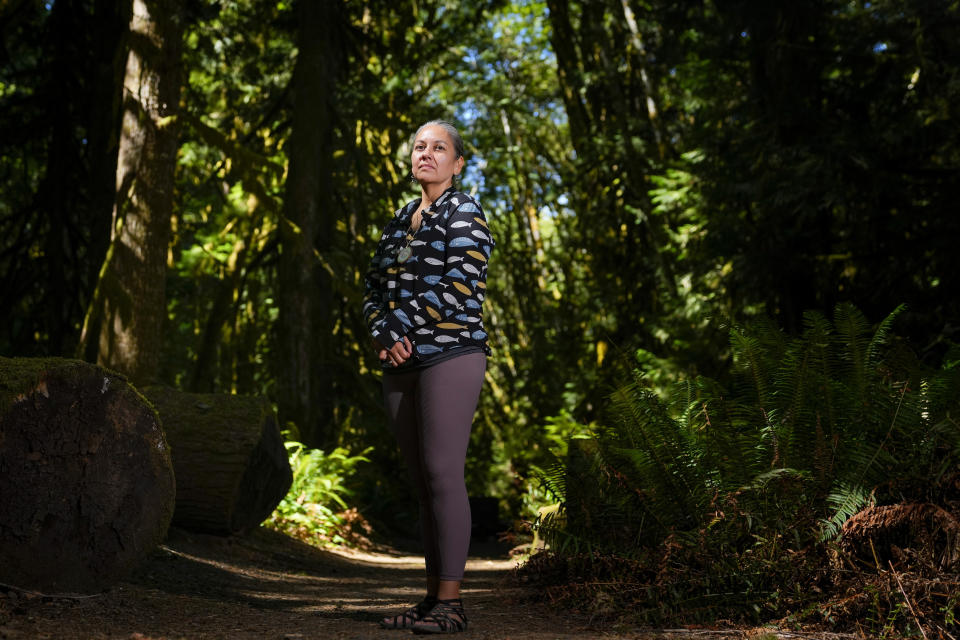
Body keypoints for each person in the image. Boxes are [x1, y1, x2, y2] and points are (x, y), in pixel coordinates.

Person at [362, 120, 494, 634]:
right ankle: (431, 597)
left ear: (457, 163)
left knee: (443, 474)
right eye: (420, 146)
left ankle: (453, 604)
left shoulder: (465, 211)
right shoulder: (400, 218)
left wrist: (399, 327)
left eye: (440, 148)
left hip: (452, 354)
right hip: (398, 360)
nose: (427, 154)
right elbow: (373, 283)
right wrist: (381, 333)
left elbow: (463, 286)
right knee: (421, 483)